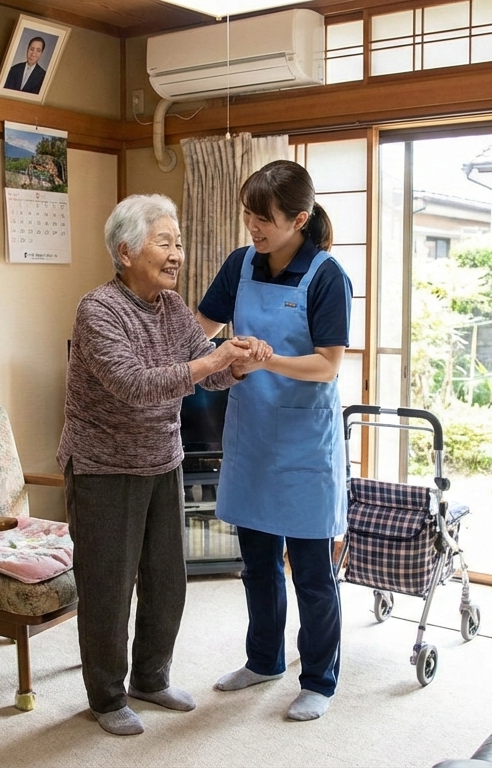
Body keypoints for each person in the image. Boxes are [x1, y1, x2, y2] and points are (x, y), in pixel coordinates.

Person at [56, 194, 267, 737]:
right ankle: (106, 697)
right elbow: (134, 386)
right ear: (125, 251)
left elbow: (204, 373)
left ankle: (150, 677)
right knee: (107, 587)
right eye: (164, 242)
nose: (177, 254)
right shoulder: (98, 309)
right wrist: (211, 359)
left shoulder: (172, 308)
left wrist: (237, 363)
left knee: (167, 581)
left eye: (178, 242)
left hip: (161, 459)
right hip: (103, 467)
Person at [195, 160, 353, 723]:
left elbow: (327, 366)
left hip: (305, 445)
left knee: (311, 571)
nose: (253, 229)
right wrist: (205, 355)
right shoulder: (240, 264)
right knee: (257, 564)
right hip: (253, 434)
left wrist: (265, 358)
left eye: (264, 219)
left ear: (300, 219)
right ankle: (263, 660)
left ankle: (319, 679)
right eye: (248, 216)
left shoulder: (327, 275)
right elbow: (201, 324)